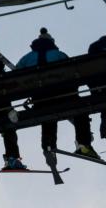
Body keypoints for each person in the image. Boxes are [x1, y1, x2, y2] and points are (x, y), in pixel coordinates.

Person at [15, 28, 99, 159]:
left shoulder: (26, 58)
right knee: (80, 112)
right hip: (64, 97)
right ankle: (84, 144)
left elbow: (16, 79)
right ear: (52, 42)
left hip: (41, 100)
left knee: (48, 117)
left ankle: (48, 147)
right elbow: (73, 73)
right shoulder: (59, 54)